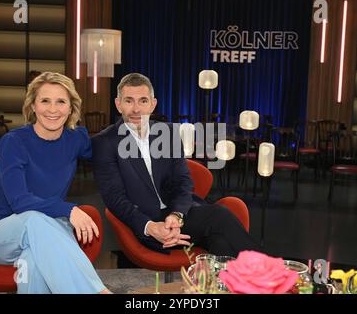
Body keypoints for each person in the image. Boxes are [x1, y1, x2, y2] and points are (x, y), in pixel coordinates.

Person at [92, 73, 261, 256]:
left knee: (220, 243)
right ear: (118, 104)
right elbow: (115, 198)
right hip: (147, 223)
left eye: (142, 101)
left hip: (181, 214)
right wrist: (149, 227)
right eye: (129, 101)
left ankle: (230, 284)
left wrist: (177, 215)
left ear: (153, 104)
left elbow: (183, 181)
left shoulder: (168, 133)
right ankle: (273, 277)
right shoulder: (105, 142)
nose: (136, 109)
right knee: (220, 216)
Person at [0, 72, 111, 294]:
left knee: (34, 260)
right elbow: (20, 202)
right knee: (34, 219)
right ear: (33, 106)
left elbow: (111, 149)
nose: (52, 109)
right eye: (45, 100)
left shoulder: (75, 138)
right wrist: (69, 209)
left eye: (61, 101)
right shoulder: (14, 142)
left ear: (71, 108)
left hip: (49, 232)